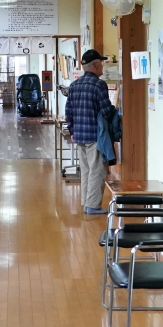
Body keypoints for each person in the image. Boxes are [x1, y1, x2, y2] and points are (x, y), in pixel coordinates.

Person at [65, 49, 114, 215]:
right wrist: (115, 114)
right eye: (101, 64)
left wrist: (72, 130)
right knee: (97, 170)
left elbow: (68, 111)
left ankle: (86, 202)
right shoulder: (99, 85)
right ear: (95, 65)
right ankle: (92, 205)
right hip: (95, 136)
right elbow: (106, 111)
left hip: (79, 135)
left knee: (86, 170)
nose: (103, 67)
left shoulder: (74, 85)